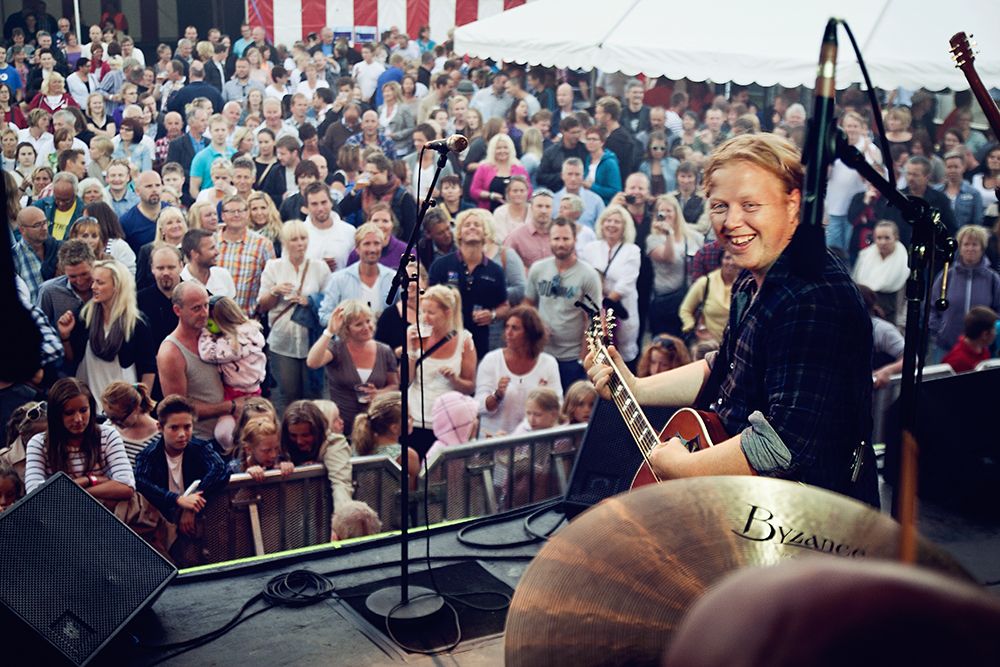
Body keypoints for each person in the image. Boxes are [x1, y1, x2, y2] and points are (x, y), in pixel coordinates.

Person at [585, 133, 879, 506]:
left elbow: (783, 444)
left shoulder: (812, 297)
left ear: (792, 206)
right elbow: (725, 366)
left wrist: (683, 469)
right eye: (720, 206)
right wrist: (637, 387)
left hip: (803, 525)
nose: (731, 222)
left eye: (750, 205)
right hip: (749, 504)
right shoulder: (751, 274)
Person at [257, 220, 331, 412]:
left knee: (313, 395)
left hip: (312, 340)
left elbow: (330, 302)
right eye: (294, 239)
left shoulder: (319, 267)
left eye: (303, 238)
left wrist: (311, 301)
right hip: (283, 341)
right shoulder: (274, 267)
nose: (300, 243)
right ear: (285, 242)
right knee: (289, 395)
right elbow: (262, 305)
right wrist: (275, 291)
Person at [24, 377, 135, 503]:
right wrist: (92, 480)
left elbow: (126, 487)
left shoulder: (108, 435)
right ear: (56, 414)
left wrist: (76, 493)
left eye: (83, 410)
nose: (78, 419)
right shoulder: (38, 443)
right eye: (69, 413)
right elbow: (35, 495)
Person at [57, 259, 154, 399]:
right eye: (94, 281)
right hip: (88, 400)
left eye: (100, 282)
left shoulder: (136, 322)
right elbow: (72, 359)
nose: (93, 287)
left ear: (117, 286)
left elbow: (148, 367)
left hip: (123, 401)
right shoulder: (84, 317)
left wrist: (143, 401)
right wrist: (65, 336)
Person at [306, 300, 399, 440]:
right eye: (358, 324)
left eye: (368, 321)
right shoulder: (337, 349)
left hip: (375, 426)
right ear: (346, 328)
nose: (366, 327)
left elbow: (394, 385)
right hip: (342, 427)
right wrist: (329, 331)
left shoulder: (384, 351)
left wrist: (378, 393)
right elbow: (312, 362)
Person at [405, 285, 476, 459]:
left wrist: (454, 379)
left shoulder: (465, 340)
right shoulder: (413, 333)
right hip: (416, 417)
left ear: (448, 312)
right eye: (423, 312)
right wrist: (412, 351)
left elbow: (470, 387)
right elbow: (405, 380)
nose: (424, 318)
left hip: (448, 422)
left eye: (431, 313)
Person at [429, 210, 509, 359]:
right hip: (444, 340)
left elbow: (505, 306)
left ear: (485, 233)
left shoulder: (495, 271)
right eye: (467, 225)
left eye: (477, 225)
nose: (472, 227)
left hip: (479, 344)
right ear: (459, 233)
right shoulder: (440, 266)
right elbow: (428, 302)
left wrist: (492, 315)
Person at [475, 305, 561, 437]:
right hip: (494, 442)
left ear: (530, 333)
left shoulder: (549, 363)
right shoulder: (491, 360)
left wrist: (545, 399)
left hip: (533, 445)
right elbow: (479, 406)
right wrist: (497, 396)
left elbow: (558, 406)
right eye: (507, 327)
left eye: (515, 328)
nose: (508, 333)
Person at [157, 282, 228, 441]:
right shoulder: (171, 352)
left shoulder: (214, 335)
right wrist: (230, 407)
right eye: (196, 308)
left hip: (230, 433)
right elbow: (179, 409)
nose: (204, 313)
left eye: (206, 306)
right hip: (199, 440)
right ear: (177, 310)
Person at [197, 296, 266, 447]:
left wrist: (205, 333)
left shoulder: (234, 342)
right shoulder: (250, 332)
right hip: (252, 391)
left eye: (209, 322)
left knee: (225, 434)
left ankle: (237, 456)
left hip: (239, 394)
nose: (207, 326)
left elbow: (207, 353)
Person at [928, 225, 1000, 362]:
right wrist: (939, 331)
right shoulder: (946, 276)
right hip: (945, 347)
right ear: (959, 248)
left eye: (975, 244)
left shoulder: (993, 279)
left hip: (980, 350)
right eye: (966, 244)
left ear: (982, 248)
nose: (970, 248)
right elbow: (932, 307)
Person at [580, 205, 642, 364]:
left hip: (621, 308)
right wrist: (597, 309)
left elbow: (626, 283)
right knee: (596, 354)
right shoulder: (590, 248)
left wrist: (604, 308)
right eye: (608, 220)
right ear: (601, 223)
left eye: (617, 222)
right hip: (594, 310)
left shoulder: (632, 250)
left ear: (624, 227)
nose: (612, 225)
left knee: (622, 354)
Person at [646, 194, 704, 338]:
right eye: (661, 211)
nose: (665, 214)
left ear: (676, 213)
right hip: (666, 302)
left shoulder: (693, 237)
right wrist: (669, 234)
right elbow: (669, 258)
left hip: (690, 299)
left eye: (669, 210)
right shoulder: (653, 239)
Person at [317, 222, 397, 324]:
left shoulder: (392, 278)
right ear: (357, 249)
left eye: (376, 243)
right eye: (367, 244)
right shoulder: (339, 279)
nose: (372, 249)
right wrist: (349, 321)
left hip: (383, 338)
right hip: (349, 339)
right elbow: (324, 316)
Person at [351, 391, 419, 488]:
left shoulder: (357, 445)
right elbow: (412, 494)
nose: (412, 418)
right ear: (394, 428)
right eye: (408, 417)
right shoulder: (407, 455)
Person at [852, 220, 909, 327]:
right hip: (865, 313)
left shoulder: (904, 263)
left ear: (895, 238)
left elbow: (905, 300)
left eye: (887, 238)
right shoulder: (865, 257)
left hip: (891, 317)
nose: (883, 242)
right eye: (879, 238)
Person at [679, 250, 739, 343]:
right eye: (727, 258)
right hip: (708, 346)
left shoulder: (747, 284)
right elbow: (685, 310)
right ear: (721, 260)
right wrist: (693, 327)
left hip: (735, 347)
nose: (731, 262)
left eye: (735, 258)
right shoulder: (706, 282)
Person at [100, 380, 159, 465]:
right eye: (109, 417)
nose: (113, 423)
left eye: (119, 419)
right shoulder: (108, 427)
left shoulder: (159, 435)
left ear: (136, 408)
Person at [471, 133, 531, 211]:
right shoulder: (484, 168)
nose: (502, 151)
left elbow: (529, 190)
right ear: (492, 150)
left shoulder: (520, 168)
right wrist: (491, 195)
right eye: (498, 148)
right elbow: (474, 191)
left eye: (505, 147)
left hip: (515, 211)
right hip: (489, 211)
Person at [230, 415, 294, 481]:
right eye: (266, 450)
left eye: (276, 448)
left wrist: (289, 469)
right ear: (248, 449)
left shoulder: (281, 461)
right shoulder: (233, 470)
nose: (274, 455)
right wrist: (247, 477)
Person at [942, 306, 998, 373]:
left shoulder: (983, 352)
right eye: (994, 329)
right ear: (985, 334)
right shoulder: (956, 361)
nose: (996, 333)